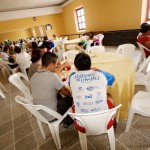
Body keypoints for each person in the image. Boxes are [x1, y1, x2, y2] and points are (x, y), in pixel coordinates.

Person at [30, 52, 73, 127]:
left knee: (58, 93)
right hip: (51, 115)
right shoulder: (52, 76)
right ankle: (67, 121)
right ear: (51, 65)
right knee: (70, 99)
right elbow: (67, 93)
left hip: (39, 113)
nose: (56, 66)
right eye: (56, 64)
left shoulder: (33, 76)